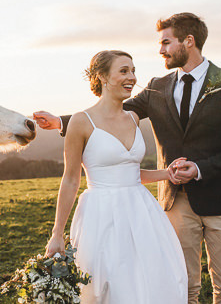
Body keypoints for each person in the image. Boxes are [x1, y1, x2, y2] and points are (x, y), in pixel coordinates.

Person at [36, 13, 221, 304]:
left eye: (166, 42)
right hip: (175, 202)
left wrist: (200, 168)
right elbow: (108, 114)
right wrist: (62, 122)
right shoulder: (157, 88)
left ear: (189, 41)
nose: (161, 49)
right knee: (182, 284)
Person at [44, 50, 188, 303]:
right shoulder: (81, 121)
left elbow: (130, 174)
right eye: (123, 71)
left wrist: (167, 173)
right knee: (106, 287)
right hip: (101, 216)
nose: (131, 77)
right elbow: (70, 180)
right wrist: (57, 234)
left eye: (133, 70)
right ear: (101, 76)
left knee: (150, 282)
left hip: (142, 212)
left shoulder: (133, 118)